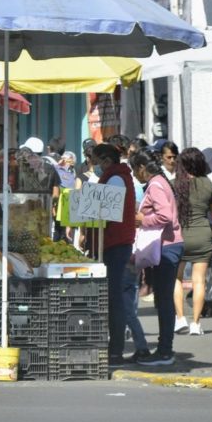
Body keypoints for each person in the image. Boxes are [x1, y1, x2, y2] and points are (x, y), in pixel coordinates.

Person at [129, 148, 183, 366]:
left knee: (164, 300)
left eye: (134, 169)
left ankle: (164, 351)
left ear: (142, 168)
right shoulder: (160, 181)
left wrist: (142, 219)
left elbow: (164, 216)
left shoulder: (156, 184)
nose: (133, 174)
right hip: (168, 245)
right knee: (163, 299)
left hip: (167, 247)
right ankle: (164, 348)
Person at [91, 143, 136, 367]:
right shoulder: (114, 177)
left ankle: (116, 350)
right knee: (111, 295)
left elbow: (108, 213)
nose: (95, 166)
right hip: (111, 242)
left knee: (114, 296)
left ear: (106, 161)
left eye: (96, 161)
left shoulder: (116, 179)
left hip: (115, 243)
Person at [173, 148, 212, 336]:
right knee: (199, 281)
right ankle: (196, 323)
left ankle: (180, 319)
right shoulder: (207, 183)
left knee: (177, 278)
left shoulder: (174, 184)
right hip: (202, 235)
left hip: (179, 236)